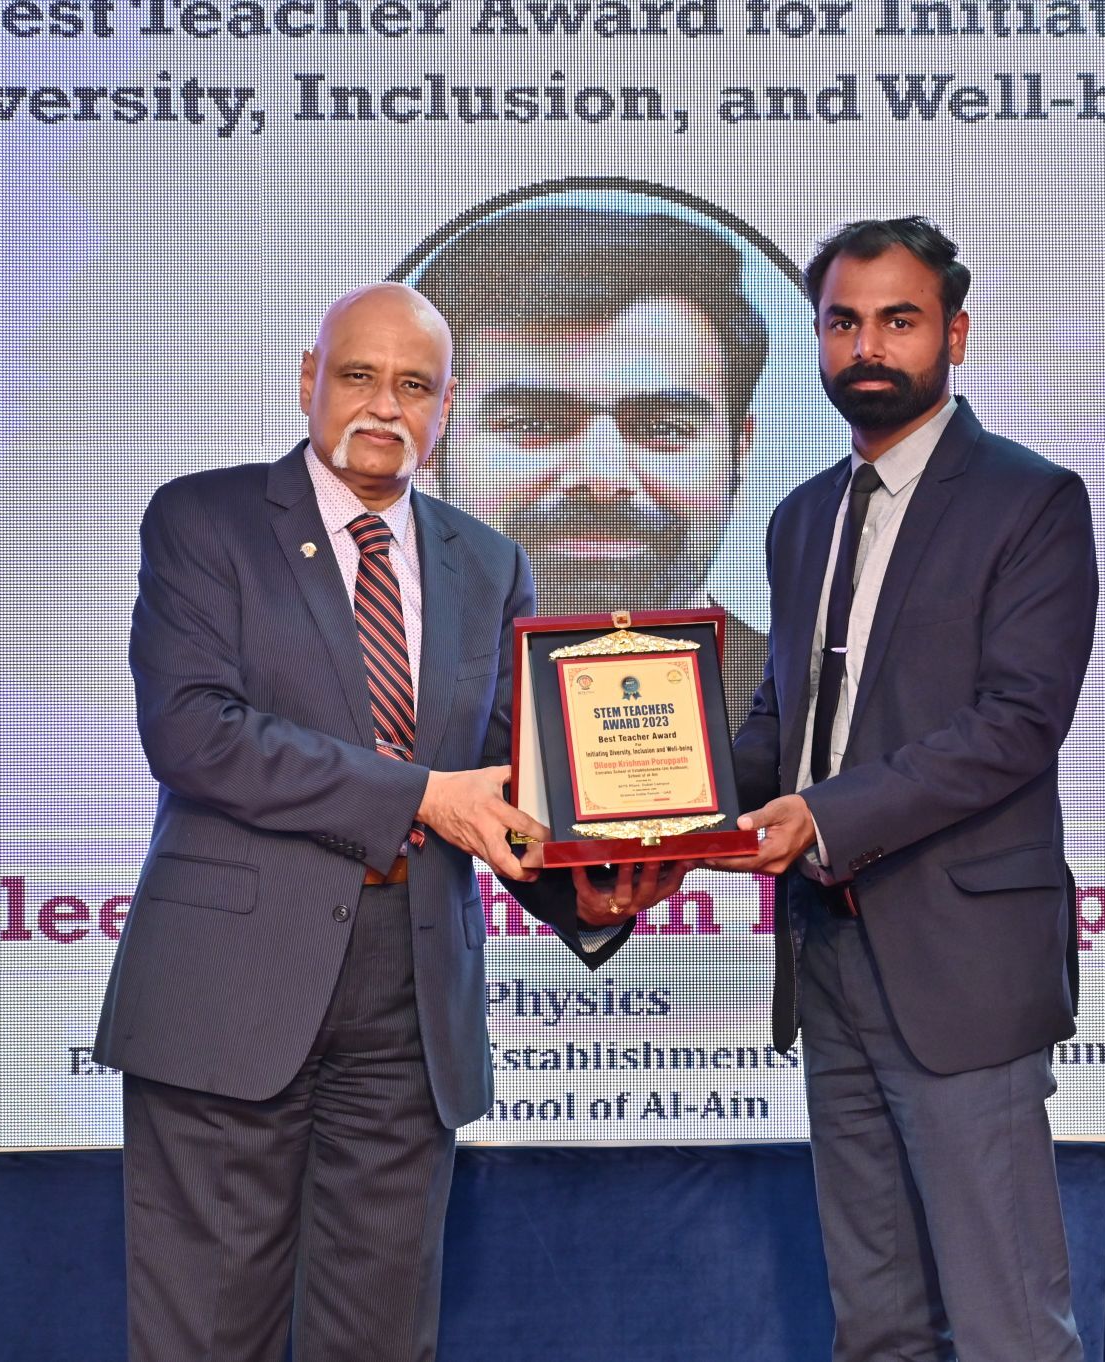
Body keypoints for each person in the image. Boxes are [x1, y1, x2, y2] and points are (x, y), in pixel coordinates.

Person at [92, 283, 675, 1362]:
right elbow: (193, 732)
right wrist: (418, 796)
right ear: (307, 380)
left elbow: (503, 782)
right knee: (206, 1337)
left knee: (381, 1340)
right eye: (357, 375)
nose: (382, 405)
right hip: (230, 989)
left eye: (413, 385)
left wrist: (587, 886)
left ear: (445, 408)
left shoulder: (488, 563)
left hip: (409, 998)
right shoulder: (205, 521)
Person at [706, 218, 1098, 1362]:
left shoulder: (1028, 501)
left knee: (1005, 1321)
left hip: (958, 962)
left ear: (953, 335)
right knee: (873, 1320)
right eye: (842, 322)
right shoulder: (799, 519)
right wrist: (650, 808)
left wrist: (824, 817)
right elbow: (784, 724)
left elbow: (1015, 724)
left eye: (897, 320)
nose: (866, 346)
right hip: (826, 952)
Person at [410, 204, 773, 733]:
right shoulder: (361, 695)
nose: (604, 478)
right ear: (432, 448)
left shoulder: (807, 702)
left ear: (738, 453)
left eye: (665, 429)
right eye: (531, 423)